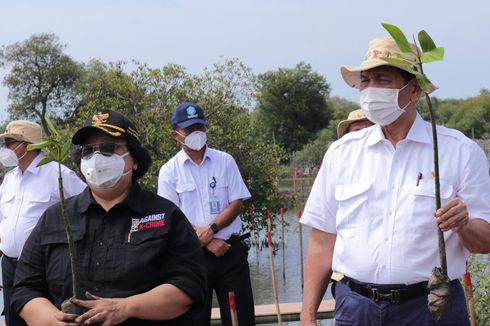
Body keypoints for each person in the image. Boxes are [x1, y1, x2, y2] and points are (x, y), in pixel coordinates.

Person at [300, 36, 490, 325]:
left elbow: (485, 241)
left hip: (431, 308)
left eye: (382, 79)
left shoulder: (459, 151)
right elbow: (322, 241)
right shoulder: (342, 153)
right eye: (365, 81)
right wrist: (307, 313)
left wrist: (463, 224)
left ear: (414, 89)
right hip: (355, 307)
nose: (370, 89)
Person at [11, 109, 206, 325]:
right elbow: (25, 287)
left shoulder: (166, 215)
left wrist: (126, 307)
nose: (97, 158)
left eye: (108, 148)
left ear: (135, 161)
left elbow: (189, 286)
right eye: (88, 150)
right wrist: (50, 319)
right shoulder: (55, 217)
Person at [158, 102, 255, 326]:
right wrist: (207, 242)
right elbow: (171, 218)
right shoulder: (169, 171)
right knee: (194, 320)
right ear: (176, 134)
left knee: (240, 319)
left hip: (230, 252)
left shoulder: (225, 161)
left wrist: (211, 231)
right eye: (189, 130)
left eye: (199, 127)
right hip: (192, 259)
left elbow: (236, 203)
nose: (196, 134)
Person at [0, 120, 86, 325]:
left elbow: (88, 204)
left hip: (42, 267)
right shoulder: (9, 179)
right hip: (10, 265)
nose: (5, 149)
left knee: (44, 319)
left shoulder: (57, 173)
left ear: (28, 145)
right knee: (13, 318)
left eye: (10, 142)